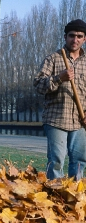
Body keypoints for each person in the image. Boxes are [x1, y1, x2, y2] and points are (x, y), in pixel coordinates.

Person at [34, 18, 86, 180]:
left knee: (79, 161)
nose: (75, 40)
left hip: (80, 121)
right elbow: (38, 85)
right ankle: (55, 198)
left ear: (85, 39)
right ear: (65, 37)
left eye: (79, 36)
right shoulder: (53, 59)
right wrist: (59, 78)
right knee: (56, 161)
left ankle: (73, 197)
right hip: (57, 119)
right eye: (71, 35)